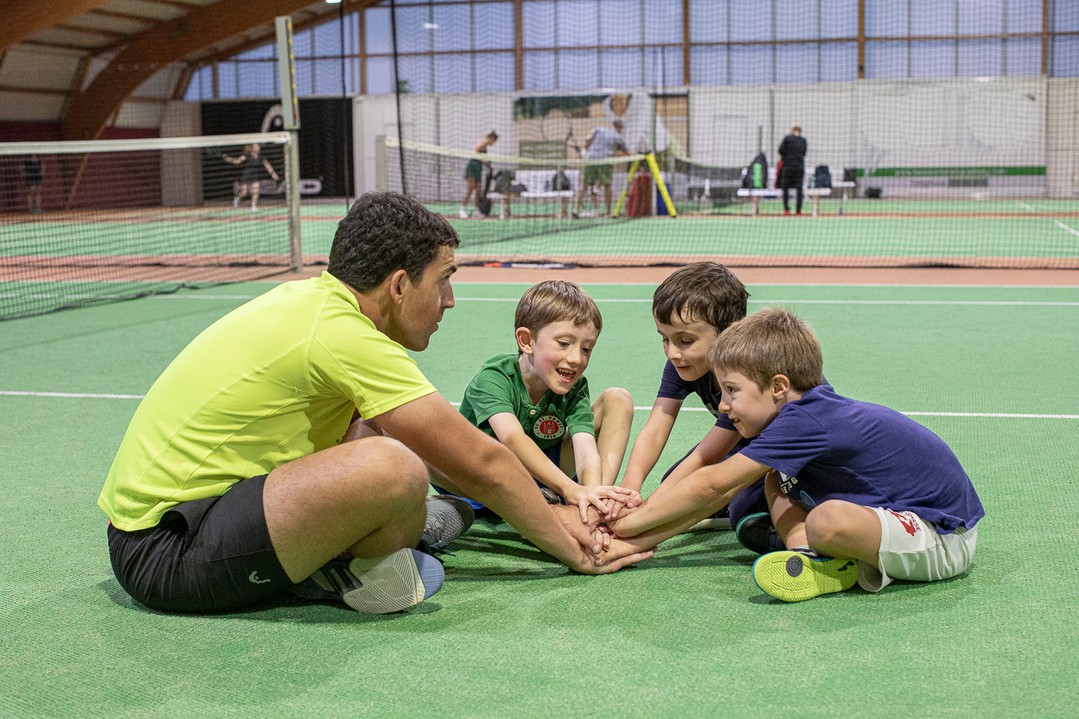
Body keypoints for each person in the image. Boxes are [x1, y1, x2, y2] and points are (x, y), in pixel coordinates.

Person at [98, 192, 651, 618]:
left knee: (388, 437)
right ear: (399, 285)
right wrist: (571, 548)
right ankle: (334, 572)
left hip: (190, 520)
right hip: (168, 553)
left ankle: (394, 528)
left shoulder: (316, 303)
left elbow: (455, 456)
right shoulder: (342, 334)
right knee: (394, 467)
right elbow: (481, 463)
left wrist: (547, 507)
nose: (451, 301)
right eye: (445, 281)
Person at [607, 307, 984, 603]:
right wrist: (635, 544)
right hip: (891, 519)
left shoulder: (806, 419)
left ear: (778, 387)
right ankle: (809, 558)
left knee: (827, 521)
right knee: (773, 482)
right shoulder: (789, 412)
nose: (722, 405)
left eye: (732, 391)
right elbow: (721, 495)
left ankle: (825, 550)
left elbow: (710, 485)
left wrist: (619, 528)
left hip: (942, 535)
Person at [437, 280, 638, 523]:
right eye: (563, 344)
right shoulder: (495, 377)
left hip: (546, 478)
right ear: (526, 341)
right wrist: (568, 487)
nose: (576, 358)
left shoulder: (574, 387)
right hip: (484, 482)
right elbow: (512, 439)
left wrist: (590, 492)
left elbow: (586, 449)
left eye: (586, 349)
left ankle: (594, 509)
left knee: (618, 399)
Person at [617, 263, 766, 534]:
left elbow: (707, 453)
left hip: (774, 454)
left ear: (728, 334)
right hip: (744, 446)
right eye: (665, 339)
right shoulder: (683, 365)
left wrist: (647, 513)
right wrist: (628, 492)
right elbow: (655, 429)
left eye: (685, 341)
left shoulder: (743, 374)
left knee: (739, 504)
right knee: (674, 483)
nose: (673, 353)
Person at [572, 119, 627, 219]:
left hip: (591, 159)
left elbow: (587, 138)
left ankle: (575, 209)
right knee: (607, 186)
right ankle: (608, 212)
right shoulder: (618, 137)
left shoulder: (599, 129)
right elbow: (626, 152)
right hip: (605, 161)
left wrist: (585, 149)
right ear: (620, 128)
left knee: (584, 185)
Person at [223, 143, 279, 212]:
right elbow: (238, 161)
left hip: (255, 177)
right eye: (255, 146)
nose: (257, 148)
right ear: (252, 148)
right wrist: (229, 159)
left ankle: (253, 206)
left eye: (258, 146)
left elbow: (268, 166)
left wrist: (273, 174)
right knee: (244, 193)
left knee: (256, 191)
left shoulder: (261, 157)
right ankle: (237, 199)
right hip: (246, 176)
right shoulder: (247, 155)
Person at [460, 130, 498, 219]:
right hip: (472, 169)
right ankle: (462, 210)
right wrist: (483, 159)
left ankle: (476, 211)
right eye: (494, 141)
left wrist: (487, 163)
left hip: (479, 170)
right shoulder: (482, 144)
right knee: (470, 190)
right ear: (491, 138)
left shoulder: (486, 147)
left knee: (478, 191)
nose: (494, 143)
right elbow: (473, 152)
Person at [777, 126, 807, 215]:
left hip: (788, 167)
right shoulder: (803, 140)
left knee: (785, 188)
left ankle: (786, 209)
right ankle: (798, 210)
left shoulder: (787, 139)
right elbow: (804, 153)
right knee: (799, 189)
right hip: (799, 168)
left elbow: (781, 150)